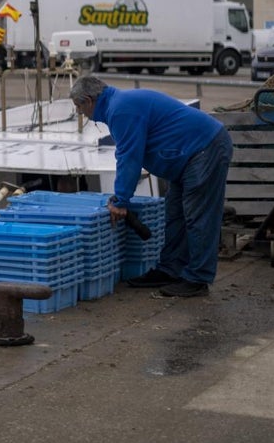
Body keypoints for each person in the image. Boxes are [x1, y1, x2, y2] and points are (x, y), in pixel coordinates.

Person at [69, 75, 233, 298]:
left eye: (78, 106)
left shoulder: (120, 109)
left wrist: (121, 200)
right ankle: (171, 269)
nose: (79, 112)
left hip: (204, 148)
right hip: (188, 155)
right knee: (175, 214)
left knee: (198, 216)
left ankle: (198, 278)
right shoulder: (118, 105)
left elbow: (129, 157)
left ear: (88, 100)